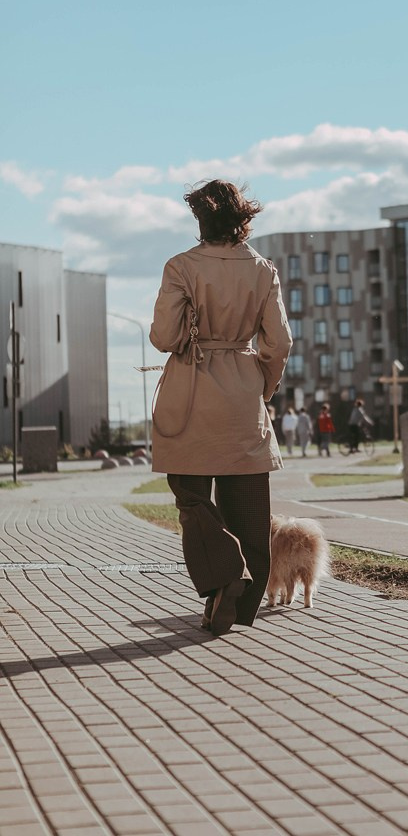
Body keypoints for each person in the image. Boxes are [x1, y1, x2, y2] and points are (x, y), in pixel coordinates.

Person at [149, 180, 292, 637]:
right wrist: (261, 388)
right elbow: (280, 342)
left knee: (192, 499)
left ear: (200, 221)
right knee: (249, 510)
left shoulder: (180, 266)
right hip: (242, 396)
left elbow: (165, 337)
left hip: (191, 394)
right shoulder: (262, 270)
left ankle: (224, 575)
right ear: (243, 219)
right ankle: (232, 602)